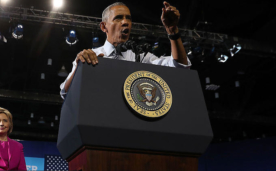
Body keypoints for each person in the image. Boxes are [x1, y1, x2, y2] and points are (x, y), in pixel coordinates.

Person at [60, 1, 190, 99]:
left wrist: (172, 31)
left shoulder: (141, 57)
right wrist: (79, 68)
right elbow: (66, 93)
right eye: (118, 18)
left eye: (128, 18)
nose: (125, 22)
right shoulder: (90, 56)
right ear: (104, 26)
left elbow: (180, 66)